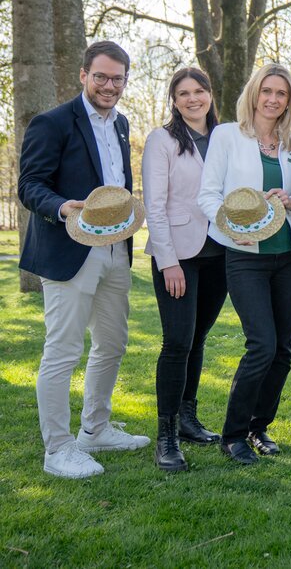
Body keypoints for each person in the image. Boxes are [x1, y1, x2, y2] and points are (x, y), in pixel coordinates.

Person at [18, 41, 151, 478]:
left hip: (116, 249)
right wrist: (62, 207)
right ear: (83, 75)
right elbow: (30, 184)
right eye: (101, 76)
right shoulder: (52, 123)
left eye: (117, 78)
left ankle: (95, 430)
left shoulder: (121, 124)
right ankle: (58, 450)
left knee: (112, 344)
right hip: (68, 249)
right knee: (63, 351)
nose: (109, 85)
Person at [198, 64, 291, 465]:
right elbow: (208, 194)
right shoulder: (227, 135)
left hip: (290, 255)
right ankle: (232, 434)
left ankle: (259, 427)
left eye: (281, 93)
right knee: (261, 344)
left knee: (282, 349)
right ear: (254, 94)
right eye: (267, 91)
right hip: (244, 255)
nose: (273, 99)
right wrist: (230, 229)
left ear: (288, 100)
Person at [142, 67, 227, 472]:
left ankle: (190, 418)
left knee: (199, 336)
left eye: (199, 91)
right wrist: (168, 260)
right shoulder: (163, 140)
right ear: (174, 100)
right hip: (178, 253)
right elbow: (155, 206)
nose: (193, 99)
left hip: (221, 252)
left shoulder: (226, 137)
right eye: (183, 93)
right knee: (177, 341)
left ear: (211, 94)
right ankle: (168, 434)